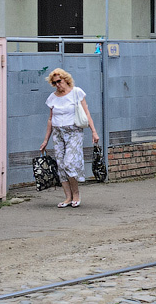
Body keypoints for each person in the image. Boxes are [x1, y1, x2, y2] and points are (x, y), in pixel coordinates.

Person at [40, 68, 99, 208]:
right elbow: (50, 119)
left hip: (74, 132)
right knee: (61, 164)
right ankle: (67, 197)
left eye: (59, 81)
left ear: (66, 79)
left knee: (69, 162)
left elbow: (86, 113)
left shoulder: (76, 92)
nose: (57, 85)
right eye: (54, 83)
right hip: (58, 133)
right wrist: (45, 140)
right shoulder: (52, 97)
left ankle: (76, 194)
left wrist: (94, 132)